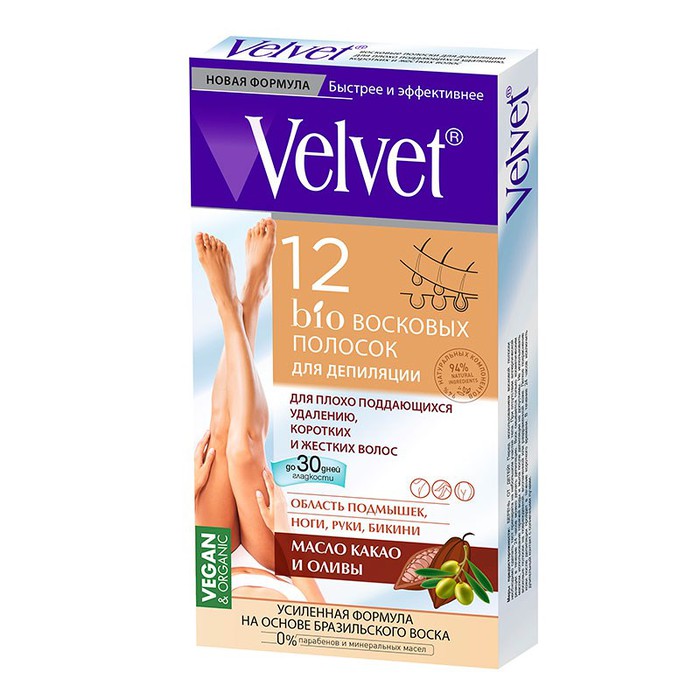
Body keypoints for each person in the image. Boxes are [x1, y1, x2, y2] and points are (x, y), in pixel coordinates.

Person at [193, 219, 323, 603]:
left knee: (220, 437)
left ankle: (244, 305)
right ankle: (238, 305)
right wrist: (286, 537)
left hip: (214, 577)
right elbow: (327, 617)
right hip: (276, 568)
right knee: (241, 448)